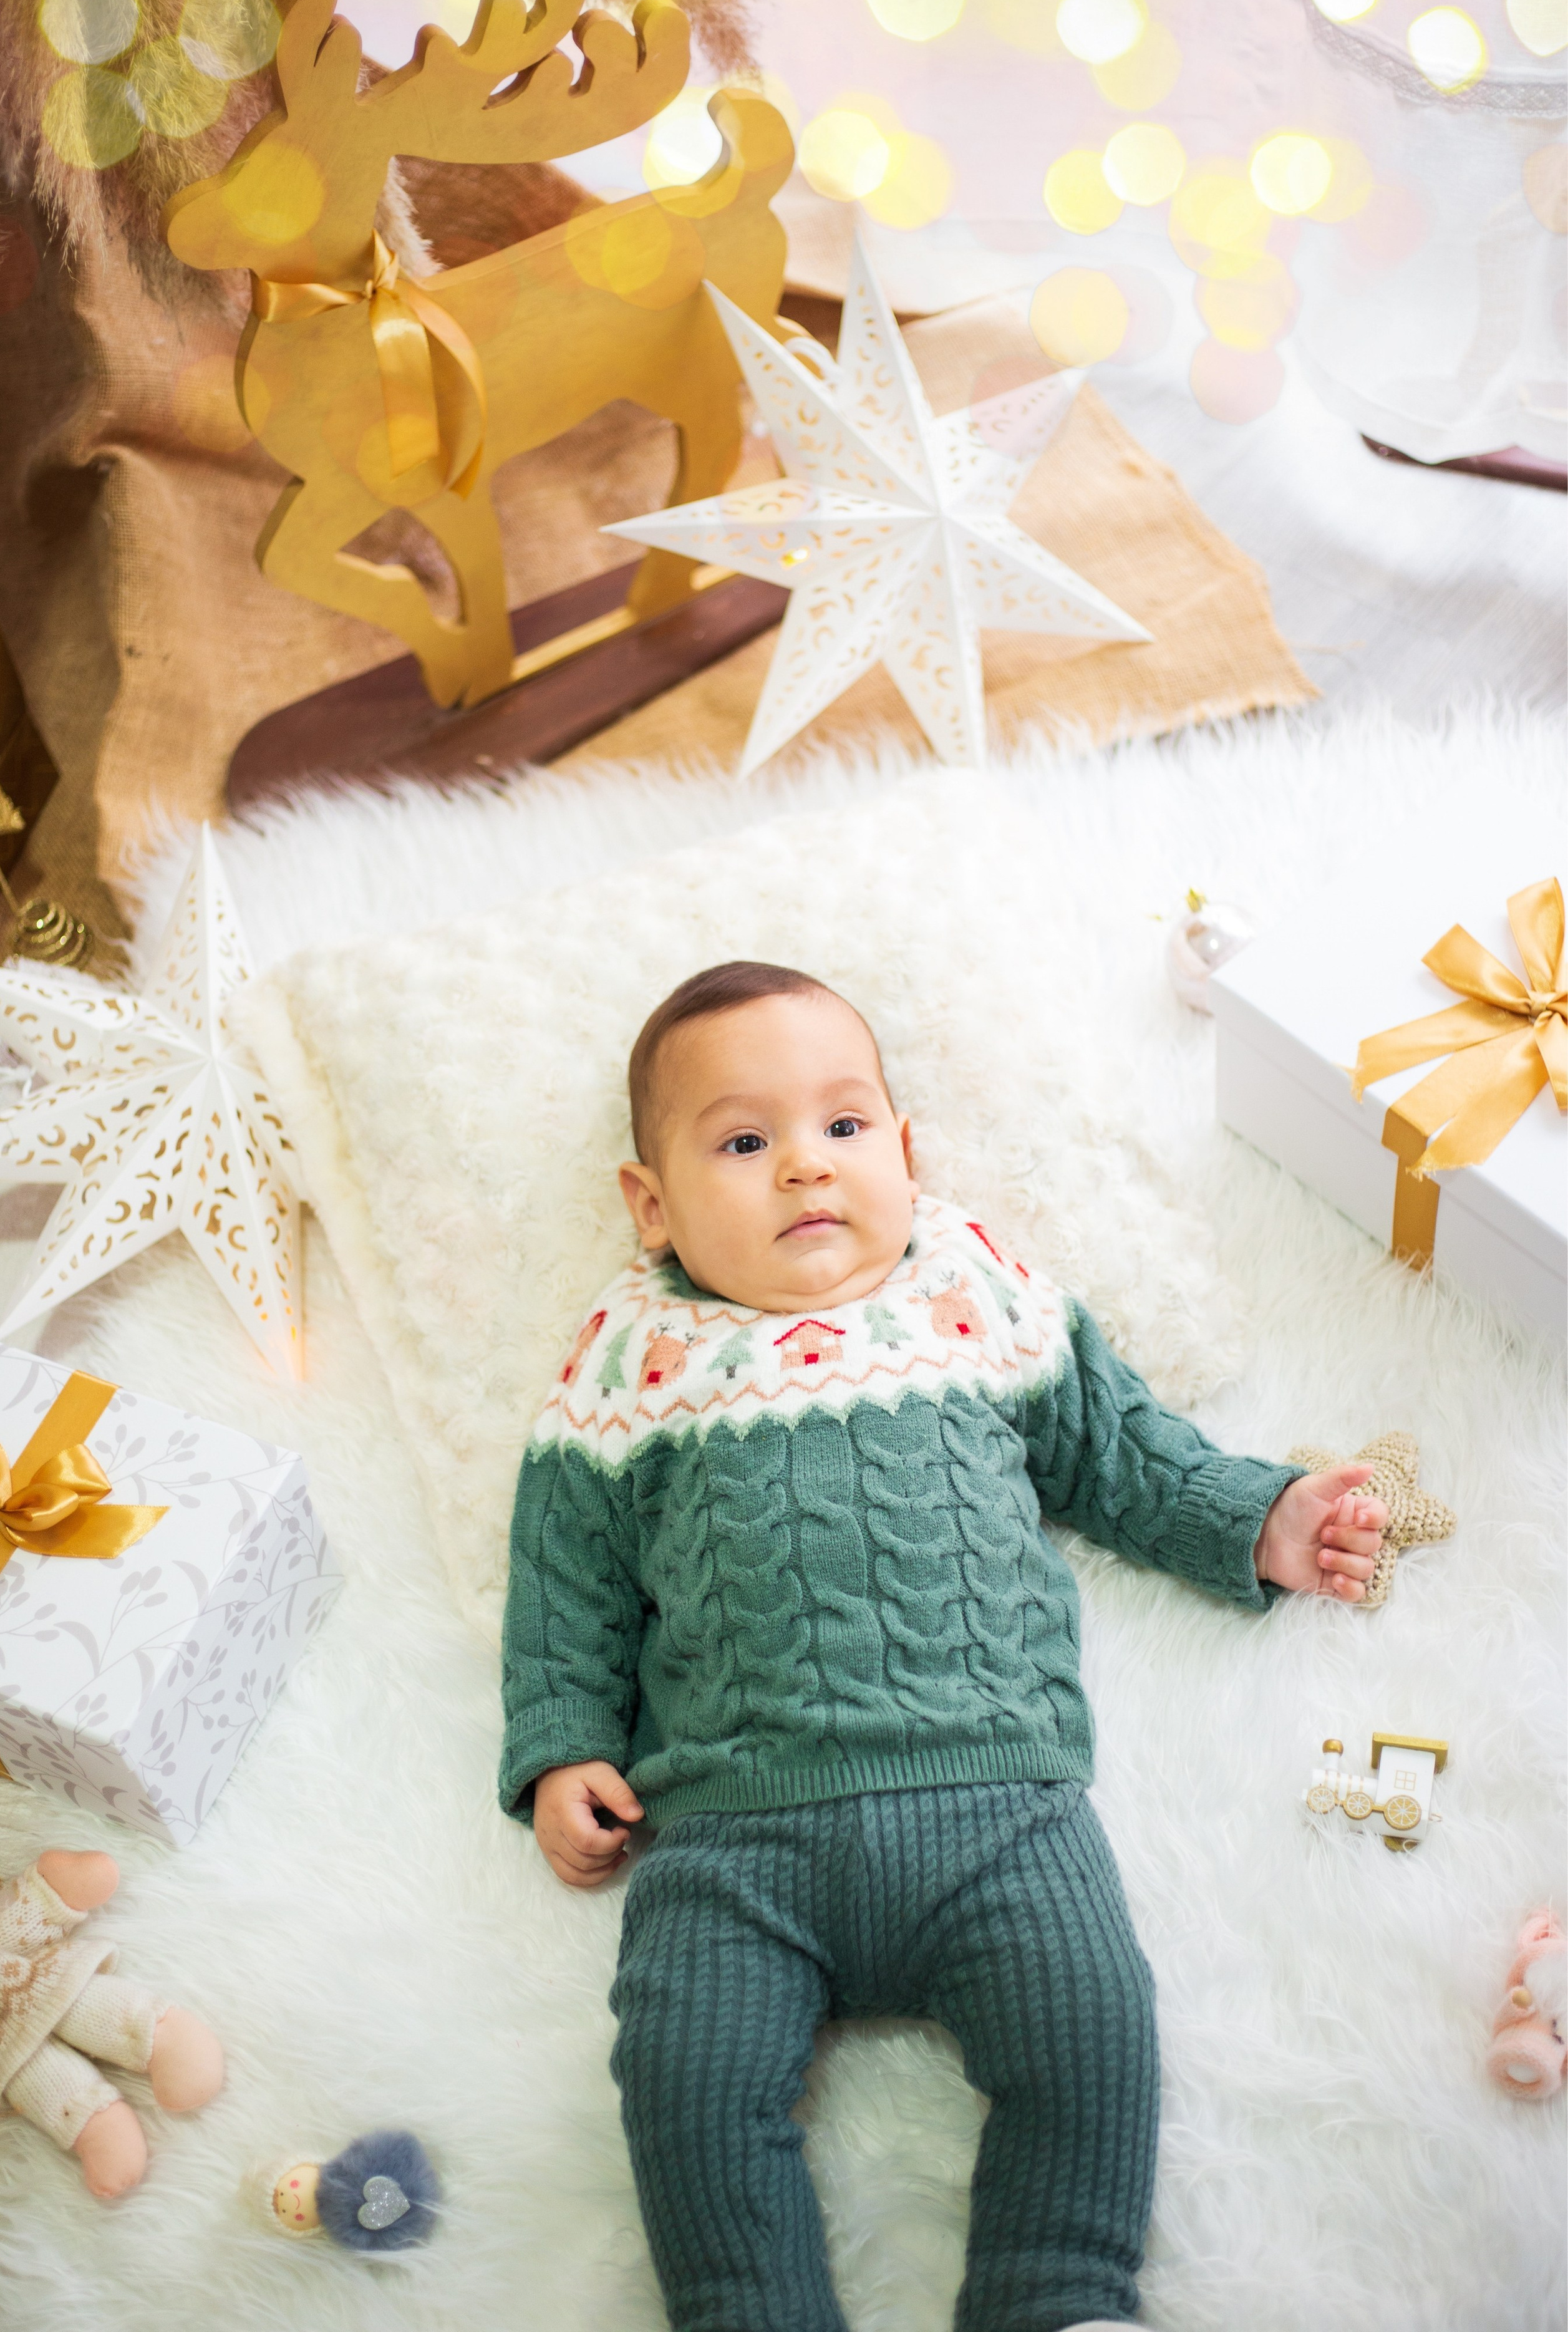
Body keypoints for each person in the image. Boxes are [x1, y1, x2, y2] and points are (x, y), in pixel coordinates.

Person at [500, 960, 1387, 2332]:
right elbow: (564, 1572)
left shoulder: (976, 1293)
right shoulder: (631, 1359)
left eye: (844, 1128)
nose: (804, 1167)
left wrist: (1256, 1518)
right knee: (682, 2077)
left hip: (1001, 1810)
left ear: (907, 1154)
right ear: (650, 1202)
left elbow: (1115, 1450)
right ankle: (748, 2307)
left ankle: (1056, 2290)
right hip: (732, 1840)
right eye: (743, 1142)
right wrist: (561, 1747)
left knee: (1091, 2036)